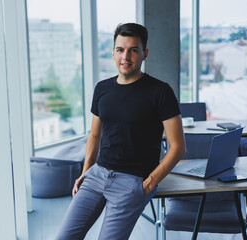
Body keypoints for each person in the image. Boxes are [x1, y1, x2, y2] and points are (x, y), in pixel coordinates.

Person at [56, 23, 186, 240]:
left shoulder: (160, 91)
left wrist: (149, 184)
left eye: (133, 50)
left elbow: (178, 147)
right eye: (120, 50)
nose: (126, 56)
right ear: (113, 53)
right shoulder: (102, 89)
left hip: (132, 182)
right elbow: (95, 135)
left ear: (144, 54)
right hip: (97, 175)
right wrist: (85, 172)